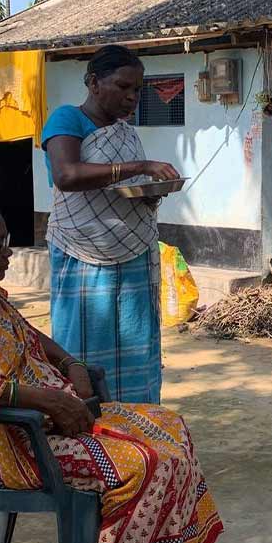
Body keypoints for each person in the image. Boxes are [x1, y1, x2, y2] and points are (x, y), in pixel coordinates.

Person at [0, 196, 222, 543]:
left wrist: (71, 363)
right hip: (1, 442)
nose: (9, 253)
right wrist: (46, 401)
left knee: (170, 426)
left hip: (43, 425)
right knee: (146, 464)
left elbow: (31, 337)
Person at [42, 44, 181, 403]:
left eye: (137, 90)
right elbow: (67, 175)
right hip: (82, 252)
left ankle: (137, 418)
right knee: (85, 340)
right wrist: (141, 168)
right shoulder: (66, 118)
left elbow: (121, 188)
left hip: (133, 252)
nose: (132, 97)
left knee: (136, 341)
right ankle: (88, 419)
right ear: (93, 82)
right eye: (123, 87)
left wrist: (150, 193)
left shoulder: (125, 132)